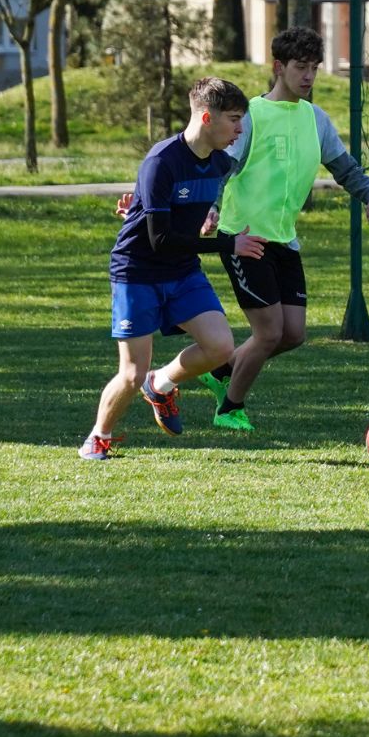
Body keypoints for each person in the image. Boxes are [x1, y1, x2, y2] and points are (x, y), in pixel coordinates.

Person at [198, 27, 369, 431]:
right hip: (245, 239)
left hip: (284, 239)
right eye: (300, 67)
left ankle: (221, 369)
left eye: (314, 68)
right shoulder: (249, 117)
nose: (309, 76)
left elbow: (345, 168)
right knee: (268, 334)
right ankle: (230, 407)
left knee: (294, 335)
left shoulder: (315, 119)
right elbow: (222, 167)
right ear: (278, 68)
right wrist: (211, 208)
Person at [78, 78, 265, 460]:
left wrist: (210, 214)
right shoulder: (161, 161)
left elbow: (192, 201)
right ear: (207, 117)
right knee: (130, 373)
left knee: (220, 346)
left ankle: (160, 385)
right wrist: (227, 243)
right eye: (233, 120)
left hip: (181, 269)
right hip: (138, 271)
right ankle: (98, 437)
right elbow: (159, 239)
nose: (239, 130)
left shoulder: (220, 163)